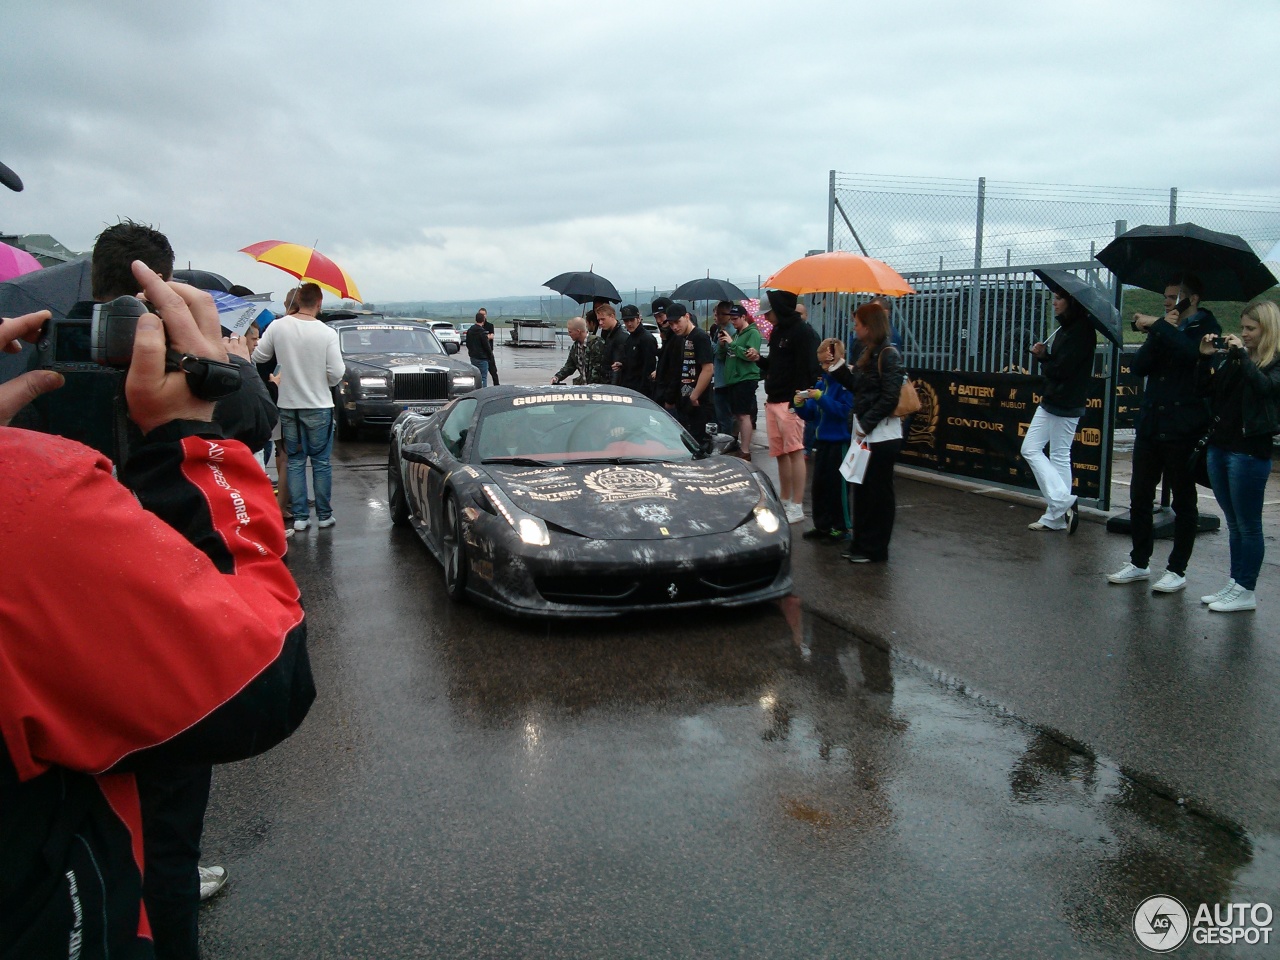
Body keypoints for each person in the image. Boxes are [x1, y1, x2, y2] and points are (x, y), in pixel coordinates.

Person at [0, 262, 315, 959]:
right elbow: (268, 671)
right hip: (71, 884)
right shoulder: (26, 491)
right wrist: (192, 434)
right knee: (163, 846)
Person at [1108, 276, 1221, 592]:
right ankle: (1139, 561)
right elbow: (1139, 366)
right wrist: (1158, 333)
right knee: (1139, 495)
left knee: (1185, 500)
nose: (1168, 302)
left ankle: (1177, 569)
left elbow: (1190, 355)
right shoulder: (1163, 328)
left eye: (1175, 297)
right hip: (1151, 424)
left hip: (1183, 426)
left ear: (1193, 299)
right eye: (1166, 297)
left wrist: (1160, 327)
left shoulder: (1206, 328)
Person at [1193, 300, 1280, 612]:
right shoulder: (1237, 358)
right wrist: (1206, 360)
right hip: (1220, 445)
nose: (1244, 333)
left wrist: (1242, 356)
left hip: (1249, 452)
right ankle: (1235, 582)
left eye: (1250, 329)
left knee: (1249, 525)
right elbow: (1210, 392)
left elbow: (1265, 390)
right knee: (1233, 521)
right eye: (1243, 327)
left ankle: (1246, 589)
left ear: (1267, 330)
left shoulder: (1274, 362)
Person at [252, 282, 344, 533]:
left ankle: (301, 517)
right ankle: (324, 515)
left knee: (294, 461)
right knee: (321, 463)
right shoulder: (326, 333)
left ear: (297, 300)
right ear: (319, 303)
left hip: (288, 404)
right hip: (318, 405)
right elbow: (336, 373)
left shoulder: (278, 326)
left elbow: (258, 356)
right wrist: (321, 380)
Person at [827, 301, 905, 563]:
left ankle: (876, 548)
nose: (854, 328)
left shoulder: (888, 354)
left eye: (858, 324)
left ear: (869, 327)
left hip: (882, 436)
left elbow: (890, 397)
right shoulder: (867, 352)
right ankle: (861, 543)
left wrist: (866, 424)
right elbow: (858, 387)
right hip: (864, 433)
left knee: (878, 494)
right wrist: (837, 368)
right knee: (861, 489)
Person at [1021, 289, 1098, 533]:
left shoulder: (1081, 331)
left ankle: (1063, 502)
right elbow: (1062, 365)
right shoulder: (1069, 328)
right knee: (1055, 454)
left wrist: (1043, 358)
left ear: (1071, 302)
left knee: (1036, 450)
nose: (1053, 303)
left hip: (1064, 400)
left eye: (1058, 298)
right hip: (1057, 398)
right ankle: (1056, 515)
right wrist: (1046, 357)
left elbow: (1062, 369)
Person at [747, 290, 820, 524]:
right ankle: (786, 498)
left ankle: (797, 504)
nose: (766, 317)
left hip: (791, 402)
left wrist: (799, 399)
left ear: (779, 310)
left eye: (768, 313)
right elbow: (776, 365)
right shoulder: (777, 332)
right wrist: (760, 359)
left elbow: (808, 368)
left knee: (795, 451)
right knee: (780, 453)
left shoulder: (803, 332)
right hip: (773, 399)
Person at [795, 338, 854, 542]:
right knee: (820, 485)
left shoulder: (845, 385)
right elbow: (812, 415)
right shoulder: (823, 383)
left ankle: (841, 527)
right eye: (821, 363)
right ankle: (823, 525)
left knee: (837, 486)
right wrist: (800, 404)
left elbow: (843, 411)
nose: (823, 367)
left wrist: (820, 398)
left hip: (839, 441)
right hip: (823, 441)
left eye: (825, 363)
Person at [716, 304, 761, 458]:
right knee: (737, 415)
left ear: (744, 317)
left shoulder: (752, 333)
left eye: (735, 319)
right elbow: (723, 356)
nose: (733, 322)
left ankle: (745, 449)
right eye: (731, 319)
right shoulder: (736, 335)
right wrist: (722, 345)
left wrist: (732, 344)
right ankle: (738, 443)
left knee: (743, 415)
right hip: (734, 380)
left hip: (745, 378)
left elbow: (749, 355)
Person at [667, 305, 716, 438]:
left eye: (678, 322)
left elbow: (708, 369)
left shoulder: (700, 337)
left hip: (700, 402)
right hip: (685, 400)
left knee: (699, 441)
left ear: (687, 317)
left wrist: (695, 395)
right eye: (671, 324)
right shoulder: (683, 338)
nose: (675, 327)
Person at [709, 301, 737, 437]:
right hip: (722, 378)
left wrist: (711, 344)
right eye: (716, 313)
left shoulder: (729, 331)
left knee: (724, 415)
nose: (717, 317)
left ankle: (727, 440)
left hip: (724, 379)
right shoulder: (720, 330)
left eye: (721, 314)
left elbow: (722, 354)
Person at [617, 304, 657, 396]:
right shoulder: (630, 338)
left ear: (638, 319)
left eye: (632, 320)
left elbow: (648, 369)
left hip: (641, 391)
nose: (629, 324)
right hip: (628, 388)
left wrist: (642, 392)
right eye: (626, 321)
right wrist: (622, 364)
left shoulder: (647, 339)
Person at [551, 316, 604, 385]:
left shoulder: (596, 343)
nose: (569, 334)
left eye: (570, 332)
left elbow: (599, 369)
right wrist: (557, 377)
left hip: (598, 388)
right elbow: (569, 366)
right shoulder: (575, 347)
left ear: (578, 331)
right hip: (585, 386)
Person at [596, 302, 629, 385]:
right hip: (606, 381)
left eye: (603, 319)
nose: (600, 323)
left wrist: (613, 388)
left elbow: (616, 368)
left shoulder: (620, 336)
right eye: (599, 320)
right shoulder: (608, 334)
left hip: (614, 385)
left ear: (612, 316)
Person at [465, 311, 495, 387]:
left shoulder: (470, 330)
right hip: (482, 358)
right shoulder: (482, 332)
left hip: (473, 357)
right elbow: (486, 346)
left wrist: (471, 352)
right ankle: (483, 393)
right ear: (483, 320)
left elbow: (467, 343)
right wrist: (490, 356)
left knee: (475, 376)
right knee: (483, 377)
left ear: (476, 320)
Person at [477, 308, 500, 385]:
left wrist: (482, 337)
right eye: (481, 314)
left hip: (489, 353)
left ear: (486, 315)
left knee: (493, 372)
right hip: (480, 354)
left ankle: (497, 386)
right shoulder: (477, 327)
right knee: (480, 374)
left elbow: (491, 336)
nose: (483, 316)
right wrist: (486, 336)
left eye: (484, 314)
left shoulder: (490, 326)